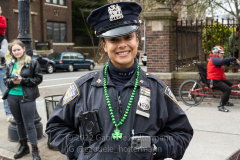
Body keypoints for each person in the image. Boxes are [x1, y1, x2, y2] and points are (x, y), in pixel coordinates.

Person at [46, 2, 193, 160]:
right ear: (104, 45)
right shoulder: (83, 88)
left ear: (137, 40)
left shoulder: (157, 89)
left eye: (128, 37)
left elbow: (181, 133)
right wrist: (78, 151)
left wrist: (157, 148)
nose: (123, 45)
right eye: (114, 39)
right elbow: (56, 127)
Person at [3, 39, 42, 160]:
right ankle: (24, 147)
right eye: (14, 50)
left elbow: (38, 78)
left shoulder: (32, 62)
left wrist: (23, 80)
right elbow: (6, 80)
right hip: (12, 97)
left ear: (23, 49)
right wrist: (12, 81)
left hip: (27, 97)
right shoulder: (10, 64)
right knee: (19, 123)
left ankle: (35, 150)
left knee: (29, 124)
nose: (16, 52)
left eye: (18, 49)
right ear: (11, 52)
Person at [207, 46, 240, 112]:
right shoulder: (214, 59)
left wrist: (233, 62)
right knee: (227, 89)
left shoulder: (217, 59)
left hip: (218, 79)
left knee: (230, 85)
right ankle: (221, 106)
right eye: (221, 53)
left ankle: (225, 101)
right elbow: (223, 61)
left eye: (223, 53)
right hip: (213, 81)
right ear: (216, 53)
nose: (223, 54)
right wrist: (234, 58)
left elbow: (224, 62)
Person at [0, 38, 12, 121]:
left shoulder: (3, 40)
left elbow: (2, 53)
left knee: (5, 92)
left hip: (2, 70)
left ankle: (8, 114)